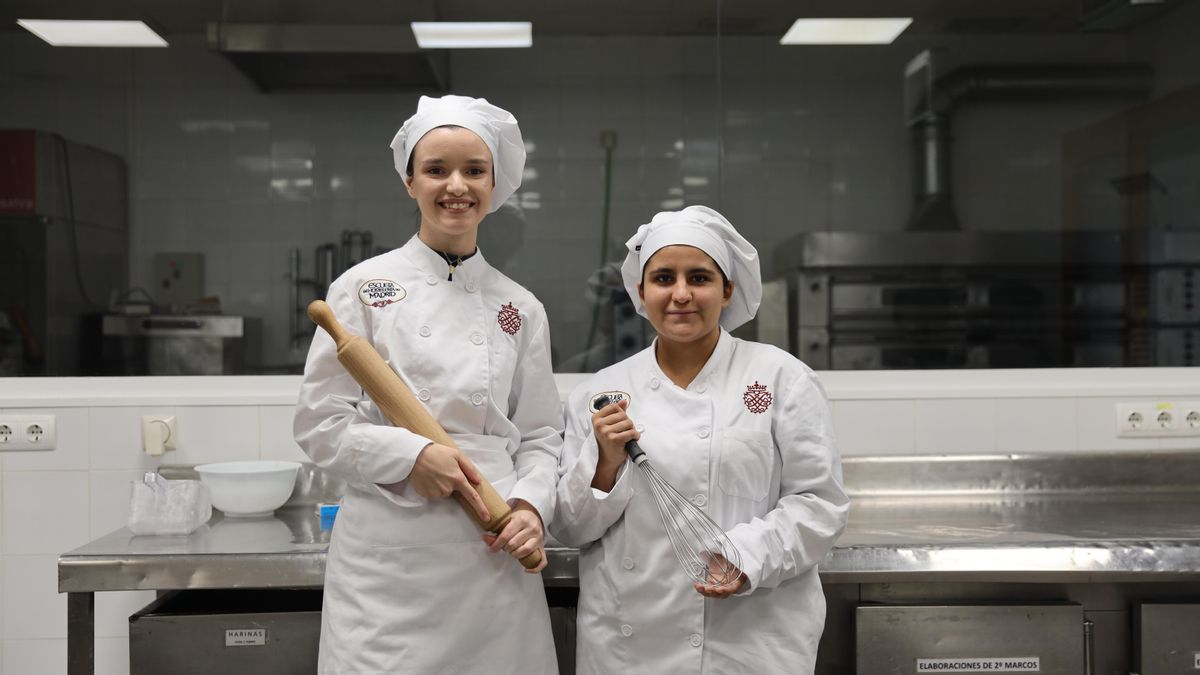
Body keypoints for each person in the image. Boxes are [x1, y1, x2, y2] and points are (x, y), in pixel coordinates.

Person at [294, 95, 562, 674]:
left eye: (474, 170)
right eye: (437, 169)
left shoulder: (520, 307)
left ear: (495, 183)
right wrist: (411, 456)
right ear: (409, 182)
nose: (456, 186)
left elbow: (542, 435)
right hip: (390, 568)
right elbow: (320, 425)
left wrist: (531, 508)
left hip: (492, 549)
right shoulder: (361, 289)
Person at [551, 205, 849, 674]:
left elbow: (819, 504)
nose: (681, 294)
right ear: (641, 292)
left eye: (700, 278)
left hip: (748, 640)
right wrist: (605, 463)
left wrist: (744, 556)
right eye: (663, 278)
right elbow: (570, 529)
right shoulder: (600, 393)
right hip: (630, 646)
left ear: (727, 289)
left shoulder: (781, 379)